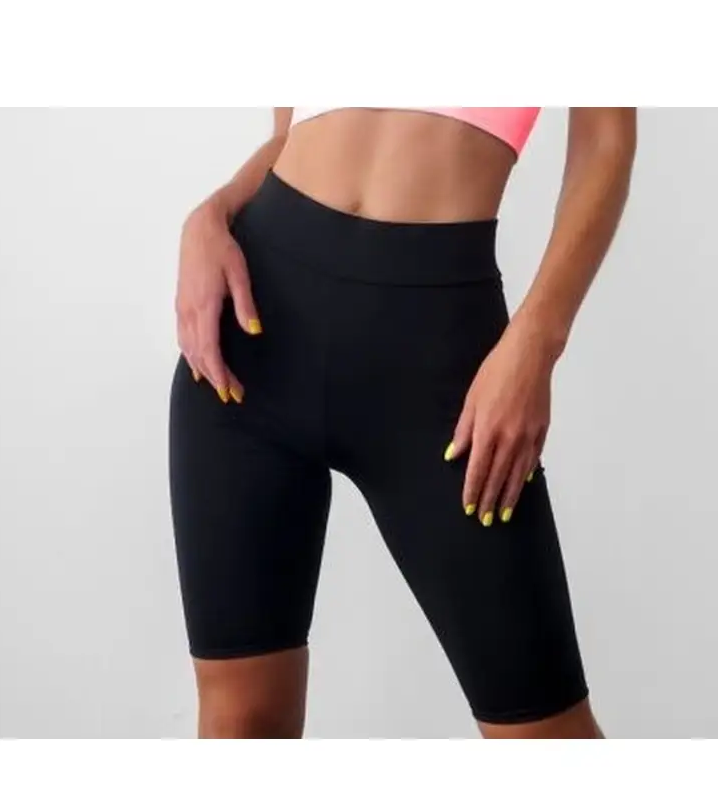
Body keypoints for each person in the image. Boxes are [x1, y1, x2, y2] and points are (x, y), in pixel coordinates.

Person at [170, 107, 637, 739]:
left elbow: (604, 144)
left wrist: (537, 343)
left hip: (439, 362)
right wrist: (212, 213)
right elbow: (287, 137)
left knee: (542, 731)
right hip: (252, 333)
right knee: (240, 722)